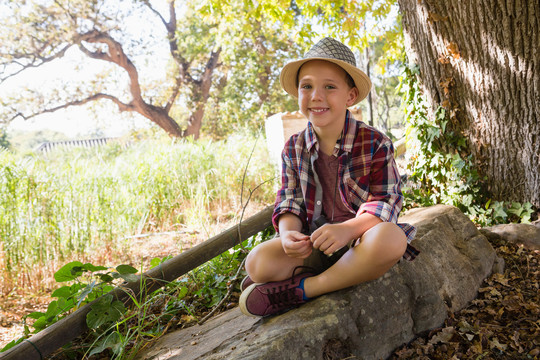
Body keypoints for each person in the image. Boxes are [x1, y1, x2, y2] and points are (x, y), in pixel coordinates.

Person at [239, 37, 419, 317]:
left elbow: (386, 202)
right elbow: (289, 201)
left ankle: (304, 289)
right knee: (257, 262)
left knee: (392, 239)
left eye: (329, 87)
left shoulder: (374, 143)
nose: (316, 96)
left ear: (350, 96)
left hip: (359, 242)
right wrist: (288, 235)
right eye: (307, 86)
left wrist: (347, 229)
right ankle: (304, 273)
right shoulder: (294, 147)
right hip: (315, 244)